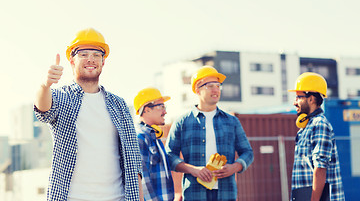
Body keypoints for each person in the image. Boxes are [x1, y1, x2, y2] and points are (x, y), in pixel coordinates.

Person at [34, 28, 144, 201]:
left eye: (96, 54)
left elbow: (134, 160)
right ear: (71, 60)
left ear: (103, 61)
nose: (91, 59)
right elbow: (43, 110)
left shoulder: (119, 105)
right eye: (83, 54)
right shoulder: (61, 97)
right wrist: (45, 85)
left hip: (118, 197)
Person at [165, 66, 254, 201]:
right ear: (197, 90)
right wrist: (193, 170)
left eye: (218, 86)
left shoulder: (232, 122)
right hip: (194, 193)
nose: (216, 90)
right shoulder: (182, 122)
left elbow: (248, 152)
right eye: (210, 86)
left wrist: (234, 167)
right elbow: (170, 156)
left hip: (226, 193)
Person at [288, 72, 345, 201]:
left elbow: (320, 168)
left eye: (298, 97)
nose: (294, 102)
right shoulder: (305, 128)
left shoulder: (319, 125)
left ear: (311, 99)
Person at [134, 87, 175, 201]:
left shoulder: (154, 136)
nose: (165, 111)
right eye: (161, 107)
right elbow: (142, 181)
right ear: (147, 109)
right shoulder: (140, 137)